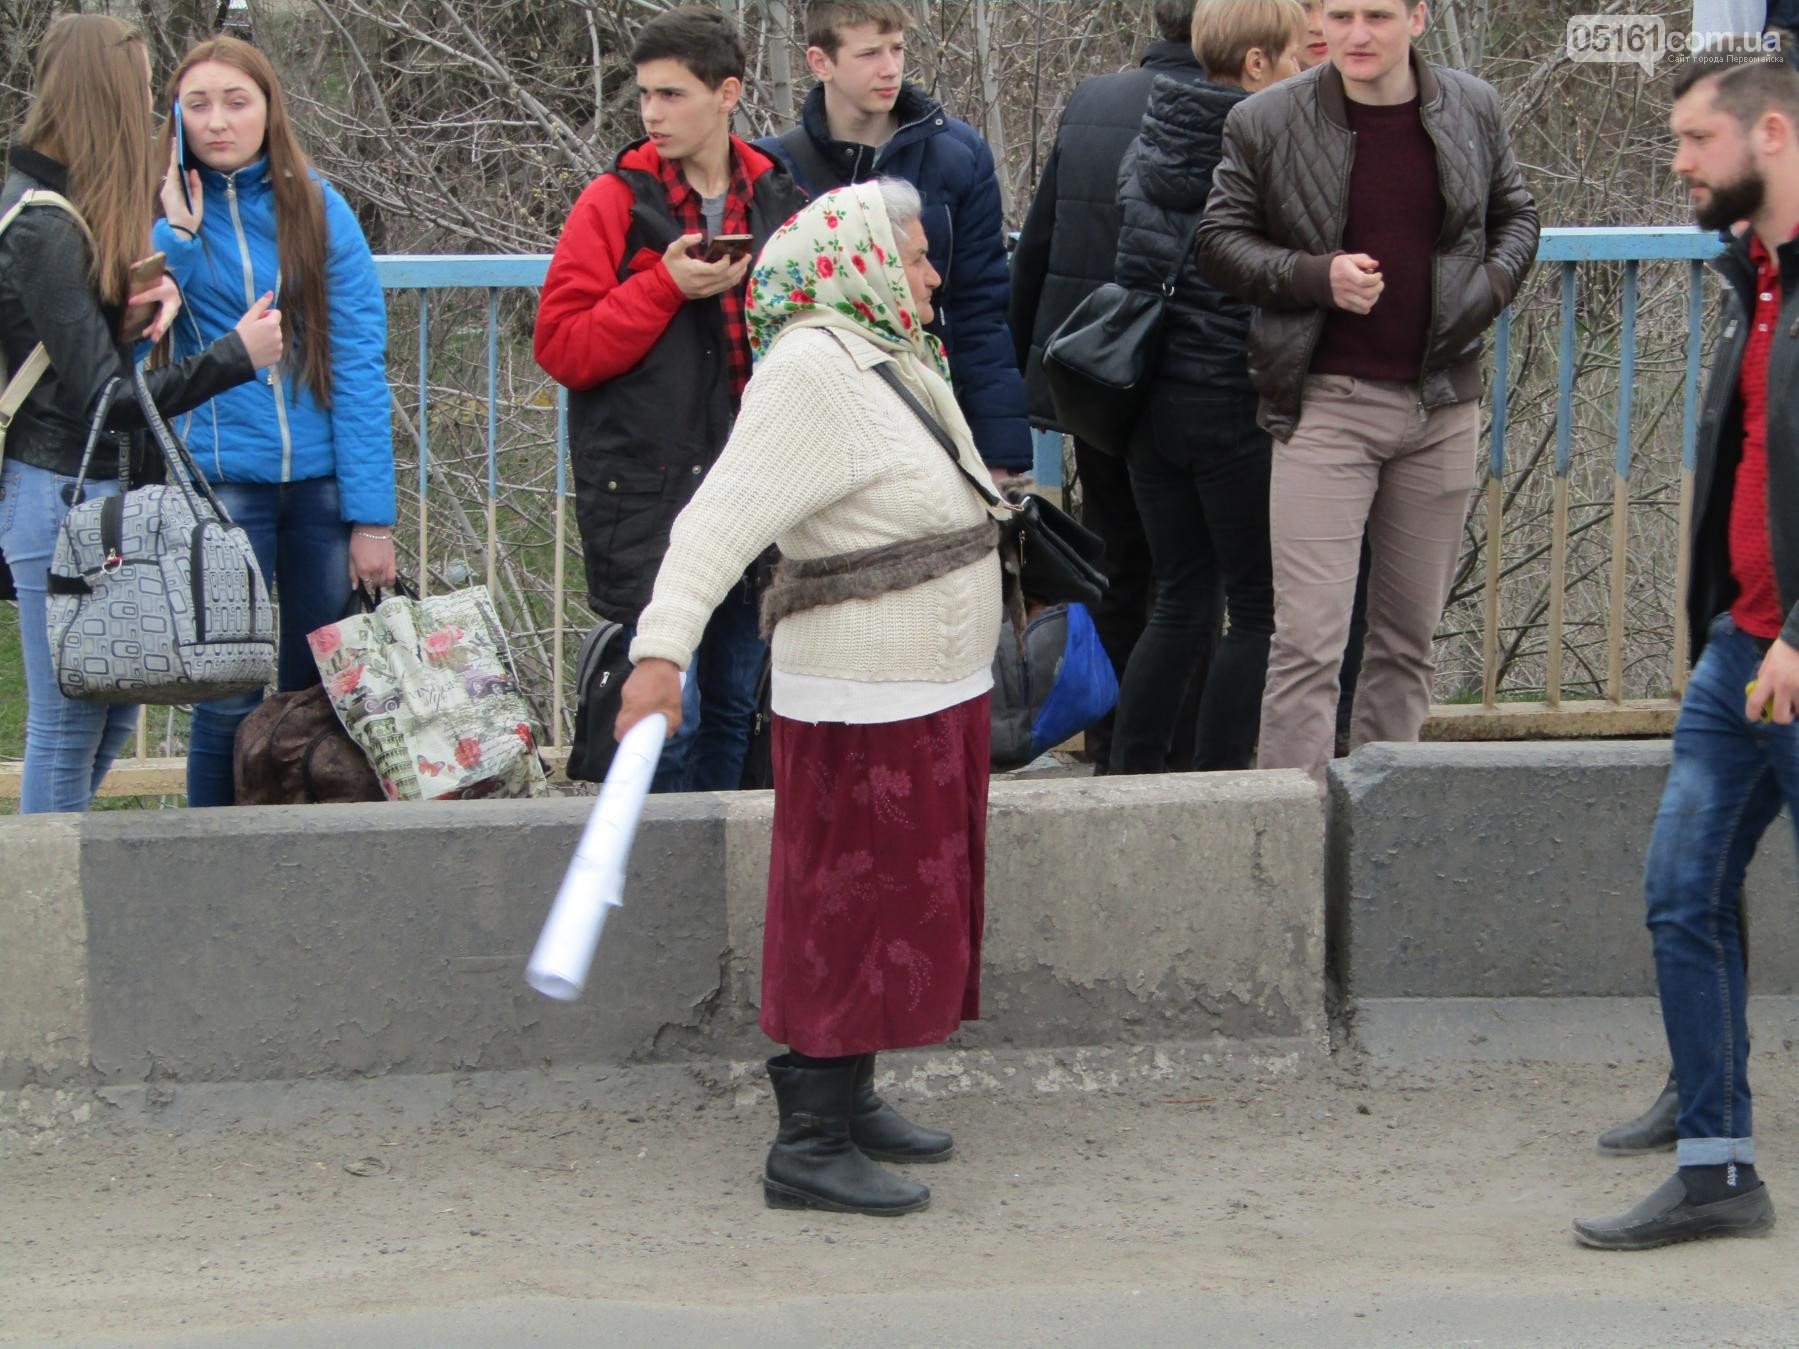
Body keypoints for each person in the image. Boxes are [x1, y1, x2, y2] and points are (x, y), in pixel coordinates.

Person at [617, 179, 1004, 1217]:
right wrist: (660, 654)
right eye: (914, 255)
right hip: (862, 702)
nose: (931, 275)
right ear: (857, 263)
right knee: (846, 908)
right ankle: (808, 1141)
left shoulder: (881, 355)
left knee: (894, 903)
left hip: (924, 691)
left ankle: (851, 1097)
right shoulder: (809, 373)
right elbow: (716, 523)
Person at [1195, 0, 1538, 789]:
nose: (1356, 34)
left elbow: (1516, 214)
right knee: (1307, 644)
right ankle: (1293, 830)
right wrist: (1315, 276)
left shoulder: (1471, 104)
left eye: (1377, 15)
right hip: (1325, 405)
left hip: (1440, 404)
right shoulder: (1265, 118)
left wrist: (1485, 290)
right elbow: (1217, 241)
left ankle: (1385, 827)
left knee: (1406, 642)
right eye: (1340, 14)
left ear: (1417, 18)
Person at [1573, 56, 1799, 1251]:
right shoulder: (1749, 275)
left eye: (1694, 139)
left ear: (1772, 133)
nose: (1676, 163)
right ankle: (1715, 1168)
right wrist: (1735, 623)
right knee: (1680, 893)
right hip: (1739, 655)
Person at [0, 13, 281, 815]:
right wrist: (233, 356)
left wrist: (131, 311)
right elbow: (108, 402)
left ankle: (56, 870)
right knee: (66, 723)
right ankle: (43, 887)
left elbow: (76, 361)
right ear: (109, 93)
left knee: (113, 715)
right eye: (144, 84)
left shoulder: (63, 206)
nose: (153, 105)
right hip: (57, 490)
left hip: (90, 490)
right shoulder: (43, 224)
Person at [535, 8, 806, 794]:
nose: (651, 112)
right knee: (667, 719)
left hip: (756, 490)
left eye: (671, 94)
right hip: (651, 493)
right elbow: (562, 347)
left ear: (727, 94)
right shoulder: (612, 202)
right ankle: (664, 861)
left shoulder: (778, 196)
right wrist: (663, 286)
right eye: (644, 94)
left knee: (733, 705)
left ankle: (717, 859)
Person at [153, 35, 396, 808]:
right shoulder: (162, 216)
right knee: (225, 695)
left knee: (314, 695)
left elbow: (358, 362)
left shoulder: (317, 206)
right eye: (198, 105)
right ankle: (211, 859)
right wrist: (176, 238)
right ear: (176, 117)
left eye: (236, 102)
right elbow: (136, 337)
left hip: (321, 492)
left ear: (268, 109)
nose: (217, 121)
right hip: (221, 488)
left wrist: (372, 518)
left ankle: (302, 859)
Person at [1008, 0, 1212, 771]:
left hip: (1096, 379)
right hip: (1193, 380)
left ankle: (1110, 741)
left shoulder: (1093, 100)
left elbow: (1040, 242)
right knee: (1191, 579)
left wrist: (1025, 379)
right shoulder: (1246, 110)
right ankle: (1177, 750)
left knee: (1117, 564)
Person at [1108, 0, 1304, 775]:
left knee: (1179, 598)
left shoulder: (1154, 134)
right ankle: (1223, 783)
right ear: (1256, 65)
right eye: (1292, 58)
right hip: (1231, 398)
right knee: (1256, 608)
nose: (1301, 72)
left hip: (1149, 396)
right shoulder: (1268, 148)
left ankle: (1131, 773)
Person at [755, 0, 1031, 477]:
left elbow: (979, 311)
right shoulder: (774, 169)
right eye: (869, 53)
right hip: (821, 433)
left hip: (938, 419)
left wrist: (999, 457)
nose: (890, 68)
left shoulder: (958, 155)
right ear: (820, 62)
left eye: (897, 49)